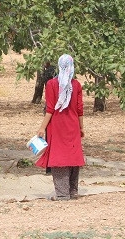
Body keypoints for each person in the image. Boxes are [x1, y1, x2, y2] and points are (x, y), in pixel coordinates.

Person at [35, 54, 85, 201]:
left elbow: (50, 109)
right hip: (73, 125)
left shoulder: (51, 84)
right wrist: (81, 128)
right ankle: (73, 191)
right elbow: (80, 109)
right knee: (73, 156)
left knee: (59, 156)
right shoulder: (76, 85)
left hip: (56, 127)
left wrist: (42, 128)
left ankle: (63, 194)